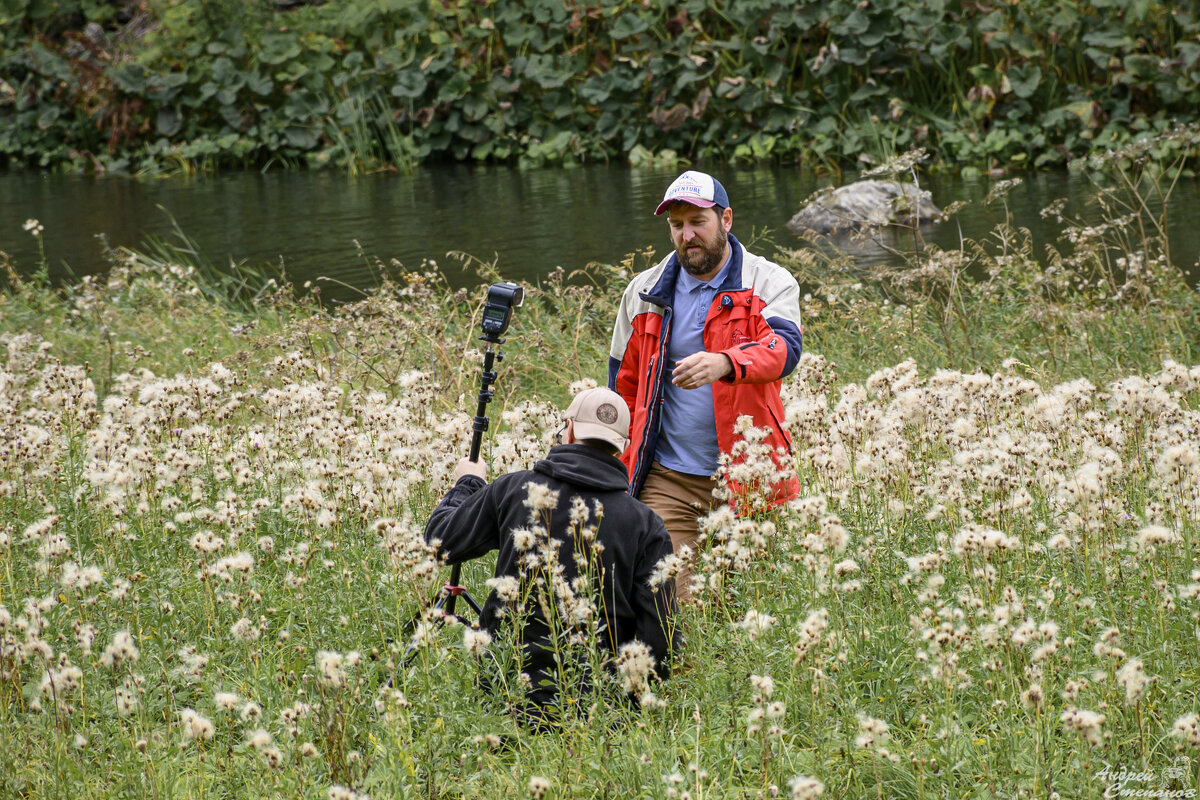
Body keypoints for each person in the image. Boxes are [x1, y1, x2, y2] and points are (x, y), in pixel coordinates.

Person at [423, 387, 680, 724]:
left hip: (505, 704)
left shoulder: (514, 490)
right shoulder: (646, 525)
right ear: (624, 448)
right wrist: (627, 713)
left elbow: (440, 542)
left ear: (568, 430)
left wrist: (468, 483)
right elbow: (660, 639)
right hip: (596, 717)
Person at [608, 170, 803, 601]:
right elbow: (622, 383)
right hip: (669, 479)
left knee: (753, 611)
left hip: (749, 476)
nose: (687, 234)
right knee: (672, 607)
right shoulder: (643, 291)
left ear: (726, 220)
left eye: (698, 221)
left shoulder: (768, 282)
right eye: (677, 225)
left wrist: (726, 362)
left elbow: (784, 350)